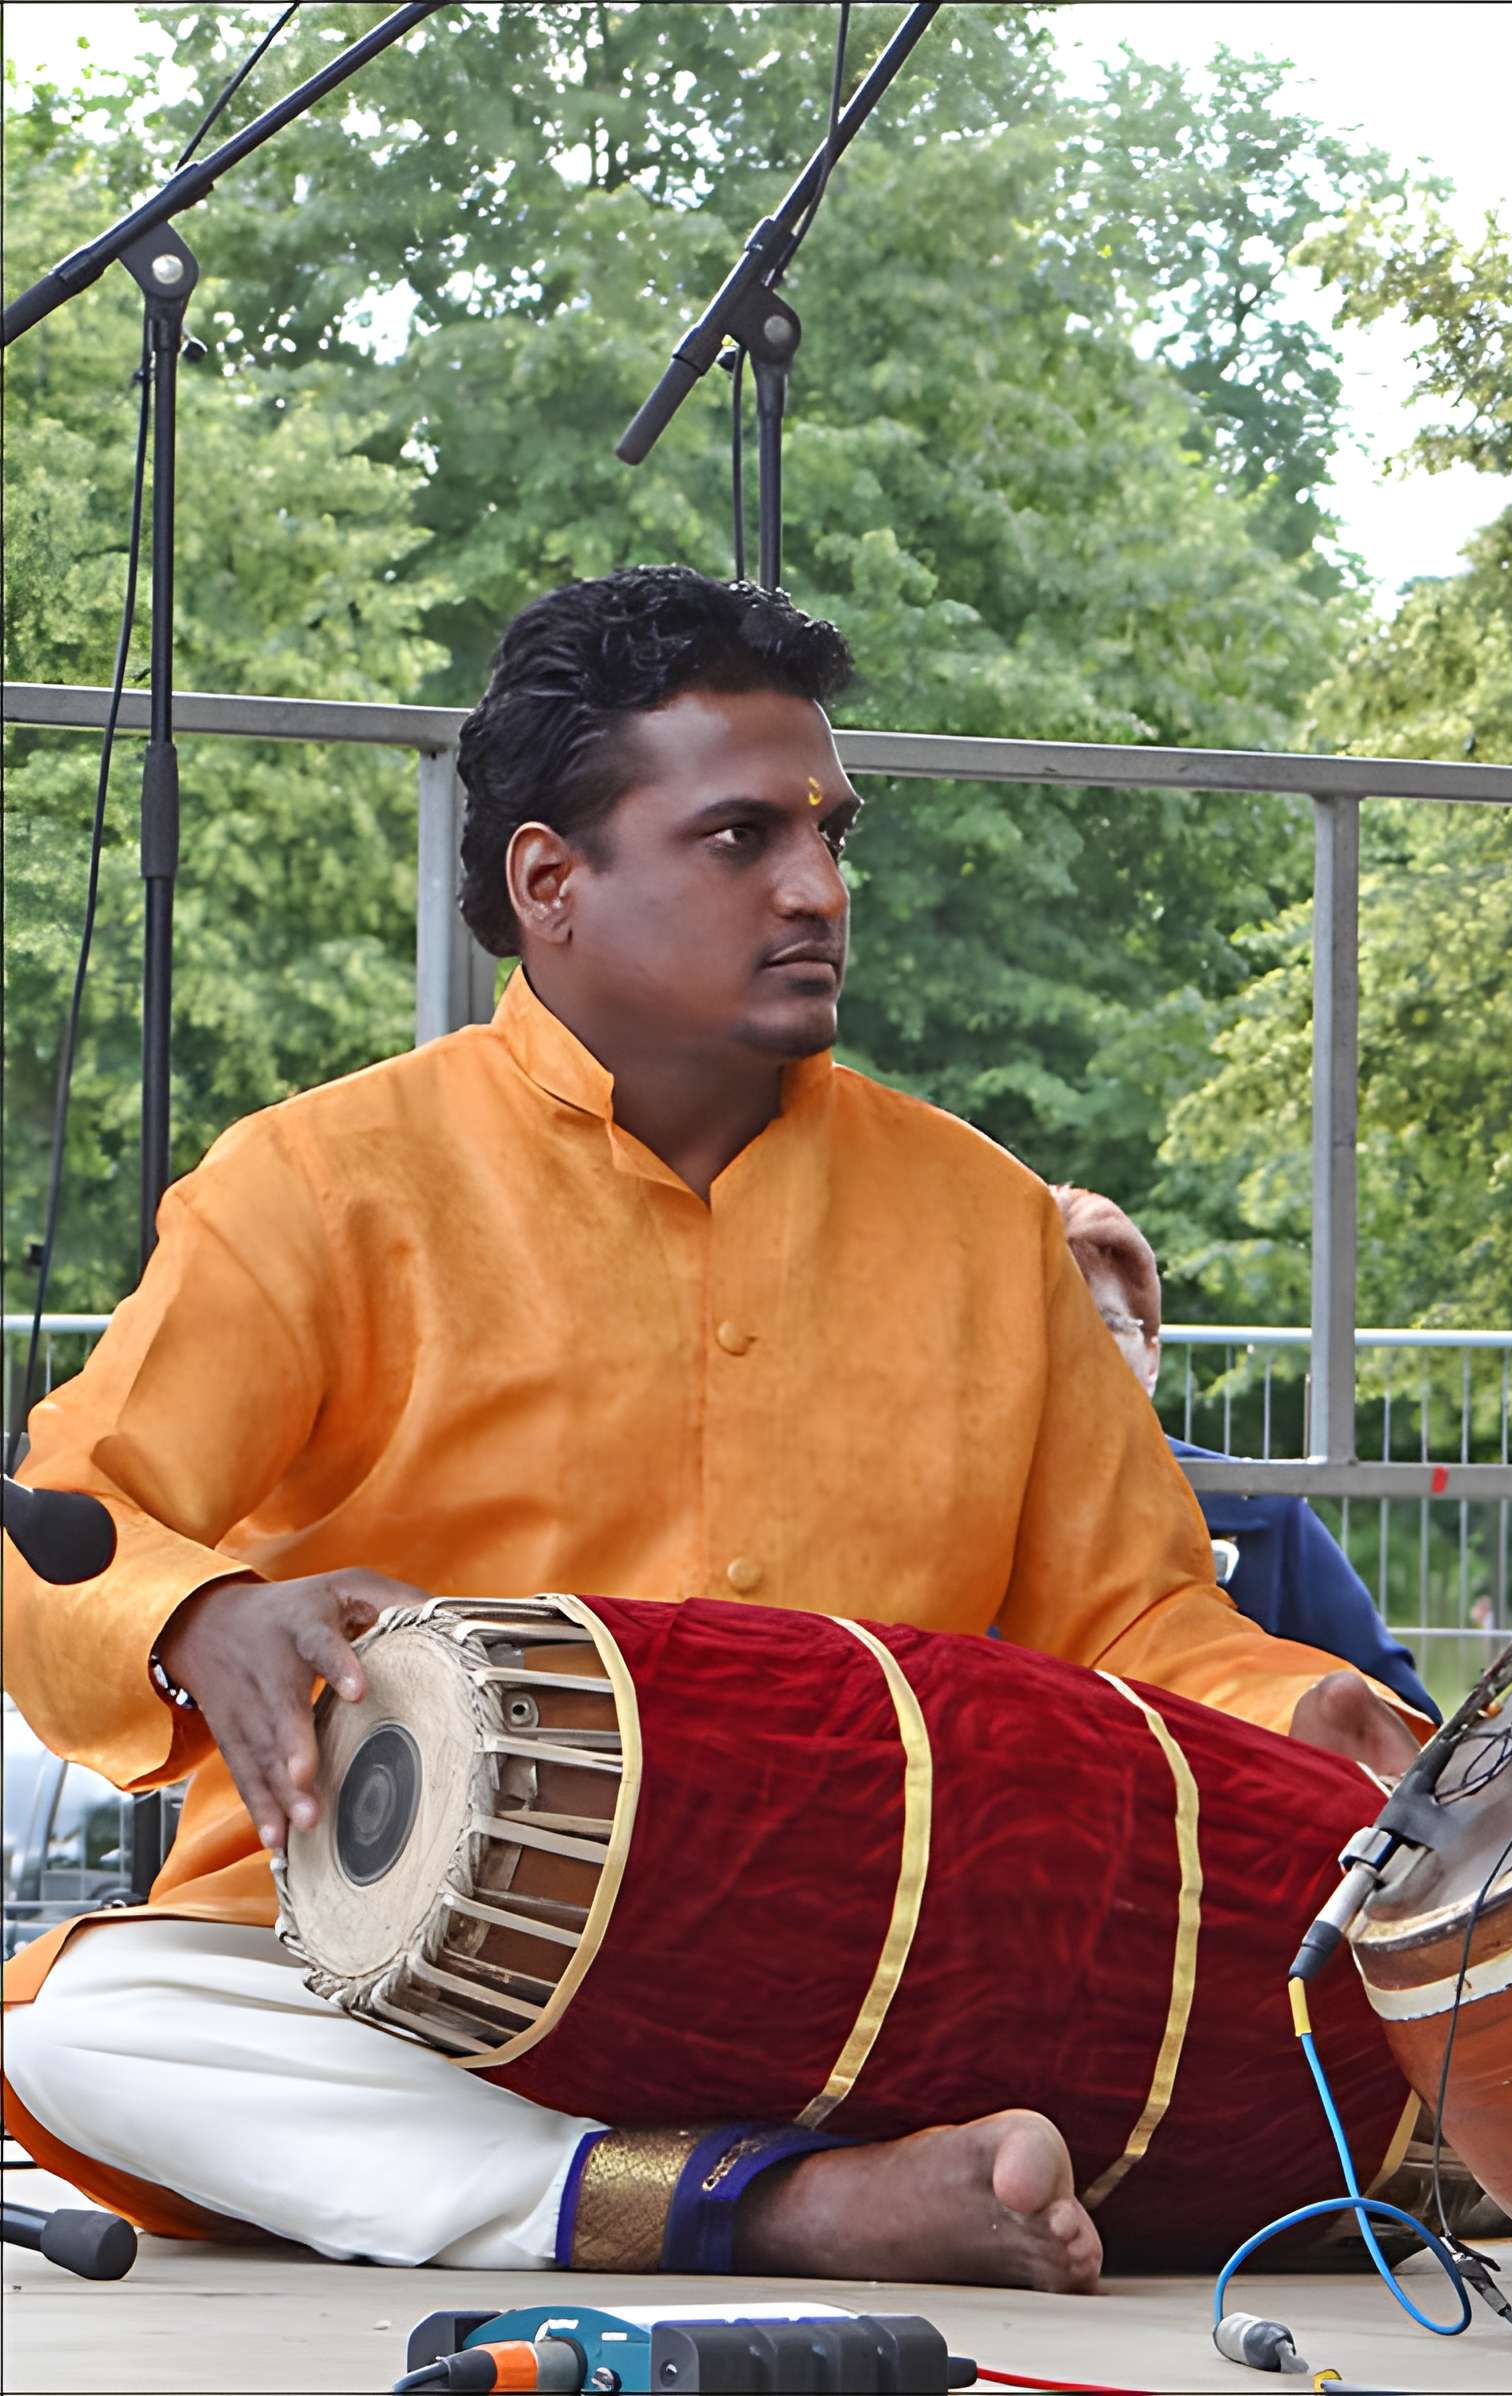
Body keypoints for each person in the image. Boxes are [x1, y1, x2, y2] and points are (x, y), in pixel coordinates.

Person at [1, 566, 1421, 2289]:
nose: (818, 888)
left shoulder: (976, 1214)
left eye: (831, 834)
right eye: (740, 839)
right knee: (98, 2023)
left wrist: (1299, 1707)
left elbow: (1129, 1618)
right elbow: (69, 1514)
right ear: (550, 882)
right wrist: (202, 1615)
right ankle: (782, 2205)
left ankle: (712, 2174)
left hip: (883, 1959)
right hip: (432, 1973)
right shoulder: (317, 1186)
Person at [1052, 1187, 1438, 1718]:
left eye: (1105, 1323)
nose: (1077, 1348)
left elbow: (1403, 1724)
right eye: (1046, 1323)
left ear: (1151, 1358)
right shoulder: (942, 1524)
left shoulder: (1258, 1510)